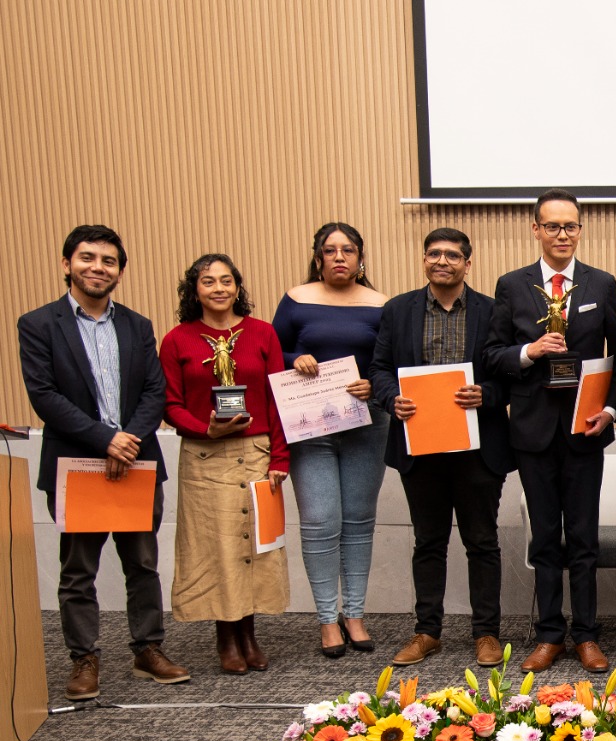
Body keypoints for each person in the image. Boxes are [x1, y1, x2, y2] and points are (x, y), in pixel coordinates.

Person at [17, 224, 190, 699]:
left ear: (119, 271)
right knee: (78, 571)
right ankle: (83, 658)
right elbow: (44, 396)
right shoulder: (38, 324)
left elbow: (155, 390)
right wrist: (106, 440)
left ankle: (147, 649)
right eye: (87, 258)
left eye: (108, 261)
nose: (98, 267)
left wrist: (128, 441)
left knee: (143, 563)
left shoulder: (137, 325)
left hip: (136, 462)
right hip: (78, 466)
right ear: (67, 264)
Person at [486, 188, 616, 675]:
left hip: (585, 428)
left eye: (570, 226)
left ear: (579, 230)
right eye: (552, 226)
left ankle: (586, 635)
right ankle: (549, 635)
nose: (561, 234)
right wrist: (530, 351)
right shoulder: (512, 285)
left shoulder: (601, 284)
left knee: (583, 539)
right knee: (545, 538)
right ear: (536, 230)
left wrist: (611, 409)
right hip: (532, 432)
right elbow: (492, 355)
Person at [368, 228, 513, 669]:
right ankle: (427, 632)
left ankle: (486, 633)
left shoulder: (493, 310)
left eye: (452, 255)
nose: (442, 261)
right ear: (424, 260)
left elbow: (511, 373)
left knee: (482, 542)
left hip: (478, 449)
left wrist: (487, 394)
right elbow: (378, 368)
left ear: (468, 263)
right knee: (428, 542)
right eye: (434, 254)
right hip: (420, 447)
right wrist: (390, 398)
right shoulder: (398, 310)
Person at [158, 254, 290, 673]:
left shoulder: (262, 333)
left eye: (226, 280)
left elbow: (278, 398)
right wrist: (204, 428)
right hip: (204, 456)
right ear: (194, 290)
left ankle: (249, 634)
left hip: (257, 452)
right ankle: (226, 638)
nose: (218, 288)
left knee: (254, 545)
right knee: (216, 548)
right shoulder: (177, 340)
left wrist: (280, 456)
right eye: (208, 281)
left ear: (237, 287)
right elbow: (170, 404)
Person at [272, 222, 388, 658]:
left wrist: (374, 385)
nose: (339, 257)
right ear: (318, 256)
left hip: (366, 423)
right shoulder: (296, 299)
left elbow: (391, 362)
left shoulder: (381, 304)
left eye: (348, 250)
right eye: (330, 250)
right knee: (320, 521)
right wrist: (293, 358)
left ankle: (354, 615)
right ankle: (326, 618)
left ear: (361, 258)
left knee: (358, 521)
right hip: (309, 427)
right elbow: (269, 352)